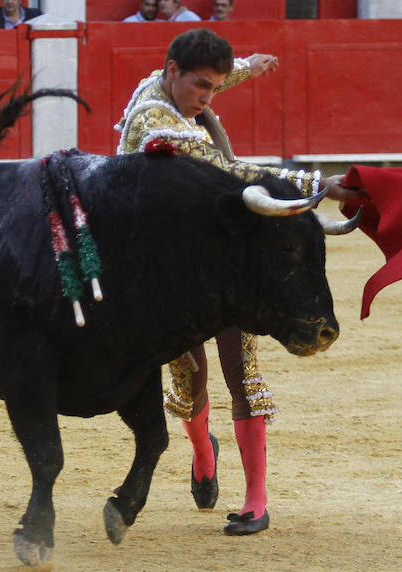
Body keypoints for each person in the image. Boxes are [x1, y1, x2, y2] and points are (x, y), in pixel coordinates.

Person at [115, 28, 360, 536]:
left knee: (240, 370)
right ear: (171, 74)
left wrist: (247, 65)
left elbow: (207, 90)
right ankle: (204, 452)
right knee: (190, 376)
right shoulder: (152, 120)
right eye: (201, 86)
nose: (207, 97)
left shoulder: (166, 87)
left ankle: (256, 500)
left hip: (224, 253)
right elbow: (231, 170)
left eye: (215, 87)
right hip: (165, 270)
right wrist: (320, 185)